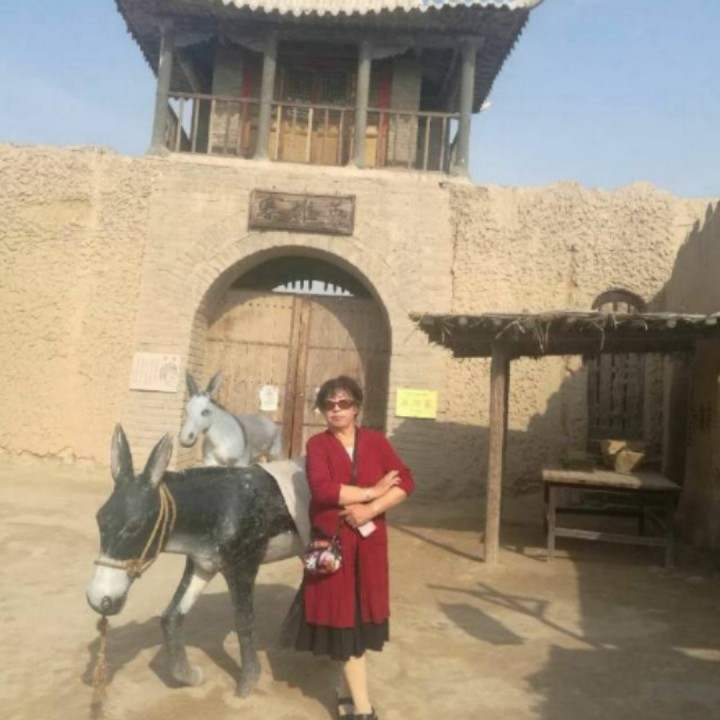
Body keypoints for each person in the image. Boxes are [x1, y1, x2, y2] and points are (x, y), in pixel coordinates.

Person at [296, 376, 415, 720]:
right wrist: (372, 491)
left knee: (358, 620)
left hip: (370, 546)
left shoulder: (376, 442)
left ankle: (348, 693)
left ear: (357, 408)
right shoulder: (318, 444)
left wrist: (370, 509)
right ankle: (364, 710)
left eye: (343, 403)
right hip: (334, 547)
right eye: (329, 404)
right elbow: (323, 490)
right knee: (344, 622)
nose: (336, 410)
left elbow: (406, 481)